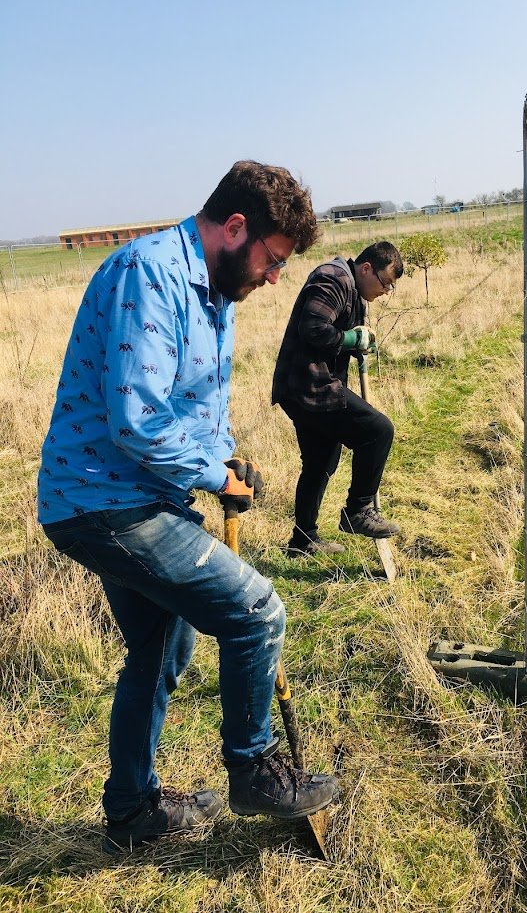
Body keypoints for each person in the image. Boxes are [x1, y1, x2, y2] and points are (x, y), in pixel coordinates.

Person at [37, 161, 339, 854]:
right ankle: (255, 770)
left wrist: (223, 460)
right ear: (235, 228)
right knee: (257, 611)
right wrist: (211, 475)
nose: (273, 279)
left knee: (159, 646)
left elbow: (195, 405)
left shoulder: (213, 293)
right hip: (102, 500)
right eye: (272, 260)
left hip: (140, 494)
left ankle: (132, 812)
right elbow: (138, 420)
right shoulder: (149, 275)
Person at [272, 241, 404, 556]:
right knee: (378, 431)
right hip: (309, 385)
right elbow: (313, 327)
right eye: (385, 282)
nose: (386, 291)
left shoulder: (354, 291)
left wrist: (357, 343)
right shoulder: (333, 277)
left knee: (320, 461)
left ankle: (302, 541)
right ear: (367, 268)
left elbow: (345, 332)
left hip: (309, 385)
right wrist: (347, 338)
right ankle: (358, 511)